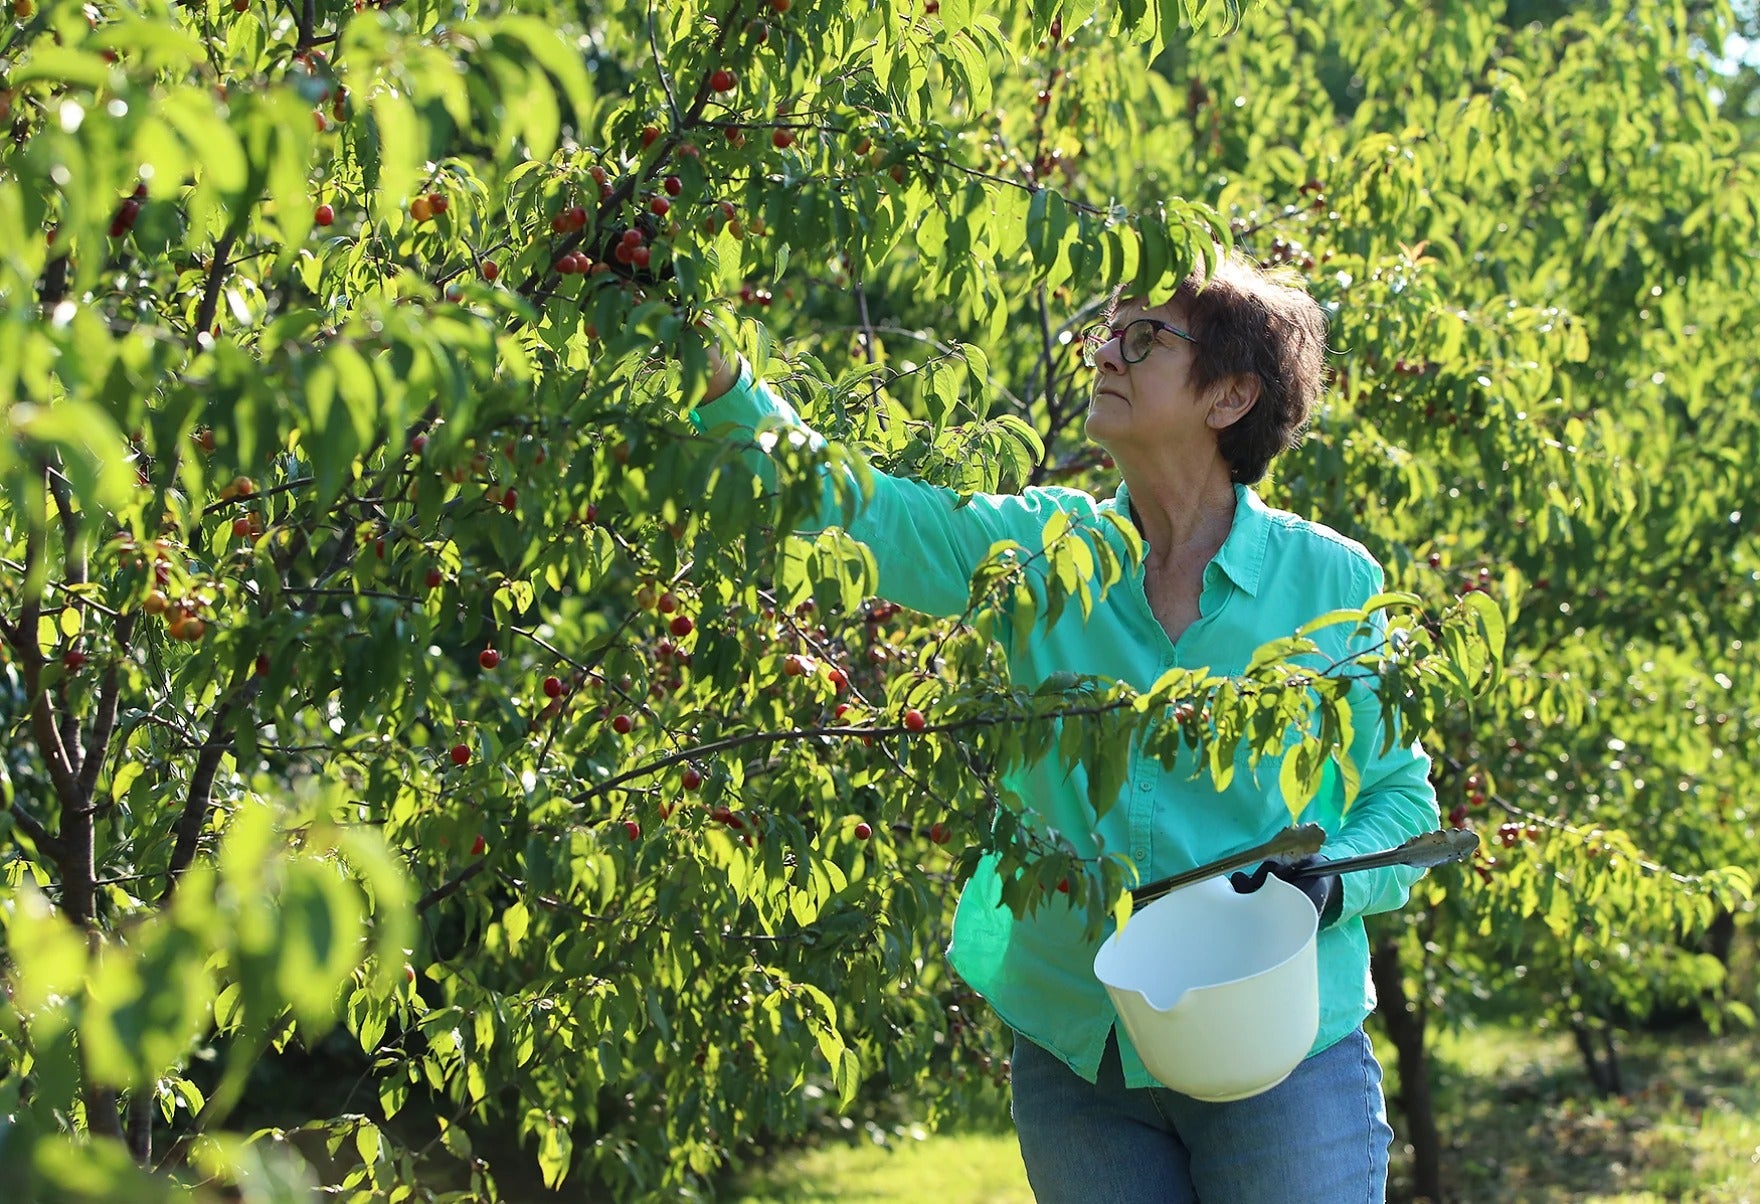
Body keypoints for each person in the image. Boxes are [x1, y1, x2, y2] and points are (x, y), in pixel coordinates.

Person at [688, 250, 1437, 1203]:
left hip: (1274, 1048)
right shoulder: (1043, 554)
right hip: (1085, 1048)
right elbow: (864, 514)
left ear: (1232, 396)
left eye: (1144, 338)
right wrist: (721, 377)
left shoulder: (1329, 585)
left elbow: (1404, 806)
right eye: (1105, 334)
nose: (1105, 357)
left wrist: (1321, 889)